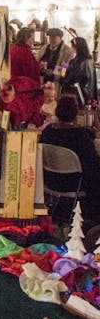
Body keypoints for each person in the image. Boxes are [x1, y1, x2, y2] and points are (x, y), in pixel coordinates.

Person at [40, 96, 100, 231]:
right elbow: (93, 165)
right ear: (75, 112)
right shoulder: (81, 136)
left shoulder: (47, 132)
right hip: (74, 183)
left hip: (51, 182)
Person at [61, 36, 96, 104]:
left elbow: (69, 78)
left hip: (78, 95)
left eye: (72, 46)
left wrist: (64, 66)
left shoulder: (79, 62)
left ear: (77, 48)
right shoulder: (90, 60)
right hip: (88, 94)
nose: (71, 48)